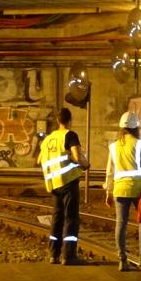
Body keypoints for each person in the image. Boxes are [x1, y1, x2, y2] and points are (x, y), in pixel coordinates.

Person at [39, 107, 88, 265]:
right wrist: (86, 164)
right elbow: (77, 157)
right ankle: (69, 256)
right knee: (71, 218)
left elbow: (40, 160)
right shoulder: (70, 135)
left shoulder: (48, 139)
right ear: (69, 120)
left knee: (57, 218)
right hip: (68, 182)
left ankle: (54, 254)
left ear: (57, 120)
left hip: (54, 184)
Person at [106, 111, 141, 271]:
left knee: (121, 224)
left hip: (119, 189)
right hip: (138, 189)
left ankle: (122, 260)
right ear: (136, 127)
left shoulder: (113, 146)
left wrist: (108, 192)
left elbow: (109, 171)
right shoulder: (139, 144)